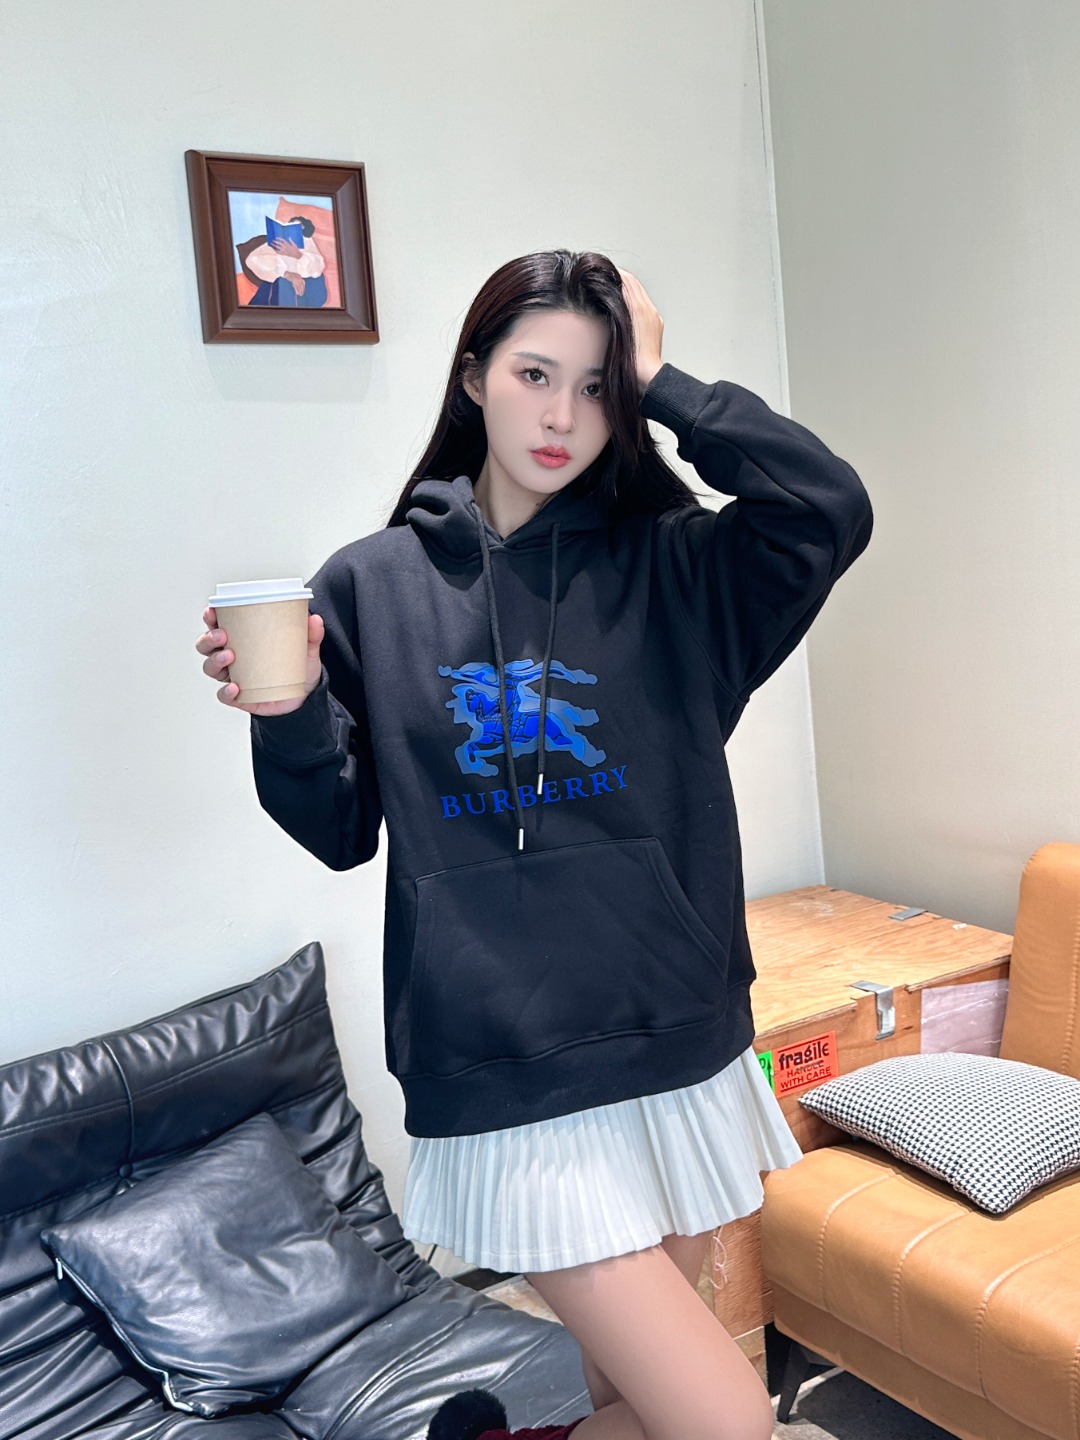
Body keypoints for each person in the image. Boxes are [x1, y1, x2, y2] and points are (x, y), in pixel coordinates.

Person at [196, 251, 872, 1440]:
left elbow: (827, 510)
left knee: (640, 1402)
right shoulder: (370, 587)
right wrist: (288, 714)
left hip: (673, 1032)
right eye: (534, 374)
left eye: (599, 385)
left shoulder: (677, 569)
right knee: (729, 1425)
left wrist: (667, 381)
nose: (563, 415)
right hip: (505, 1060)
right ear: (474, 379)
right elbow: (340, 830)